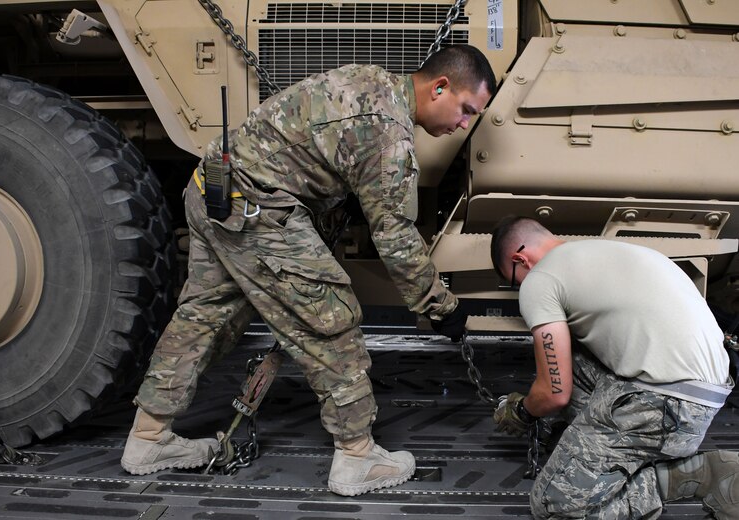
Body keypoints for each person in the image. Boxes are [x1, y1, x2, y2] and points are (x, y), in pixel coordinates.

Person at [120, 44, 496, 496]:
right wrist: (440, 306)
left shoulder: (369, 79)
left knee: (205, 316)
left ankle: (148, 439)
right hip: (255, 206)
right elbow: (395, 238)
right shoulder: (390, 133)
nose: (463, 125)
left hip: (212, 187)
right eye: (466, 110)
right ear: (439, 88)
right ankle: (357, 457)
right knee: (332, 319)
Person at [490, 215, 738, 519]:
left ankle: (684, 478)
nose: (520, 287)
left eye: (515, 279)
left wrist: (521, 411)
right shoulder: (608, 252)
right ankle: (593, 457)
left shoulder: (541, 278)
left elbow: (554, 392)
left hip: (664, 404)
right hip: (701, 398)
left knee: (554, 507)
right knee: (576, 354)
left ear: (520, 258)